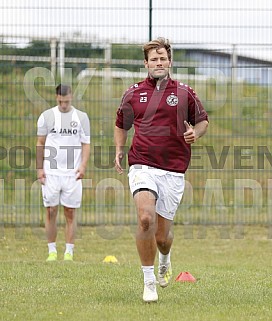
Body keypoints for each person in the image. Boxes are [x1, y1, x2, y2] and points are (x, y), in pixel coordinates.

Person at [114, 37, 208, 302]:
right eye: (153, 59)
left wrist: (194, 133)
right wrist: (120, 149)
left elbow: (202, 121)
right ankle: (148, 282)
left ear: (170, 62)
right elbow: (121, 123)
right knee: (145, 218)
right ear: (146, 63)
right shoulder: (133, 93)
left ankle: (165, 258)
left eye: (162, 58)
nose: (158, 62)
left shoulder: (184, 92)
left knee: (162, 236)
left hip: (173, 170)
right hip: (142, 164)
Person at [36, 84, 90, 262]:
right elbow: (40, 143)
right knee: (51, 211)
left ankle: (69, 252)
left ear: (71, 97)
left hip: (72, 174)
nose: (64, 104)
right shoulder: (47, 116)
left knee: (70, 212)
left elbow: (85, 144)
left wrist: (83, 166)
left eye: (66, 101)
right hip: (51, 173)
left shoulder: (81, 117)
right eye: (60, 101)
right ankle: (52, 251)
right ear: (56, 97)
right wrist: (39, 168)